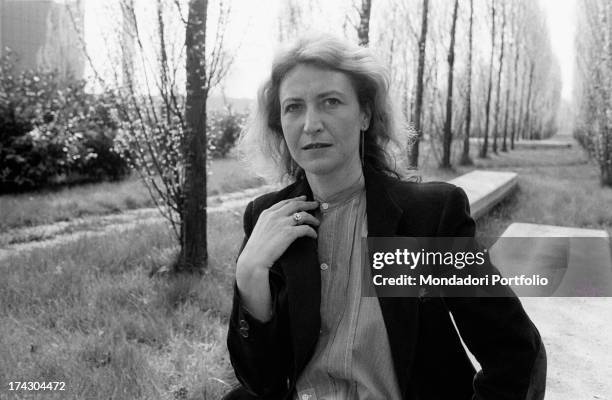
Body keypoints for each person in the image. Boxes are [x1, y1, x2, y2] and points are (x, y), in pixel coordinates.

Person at [224, 34, 546, 400]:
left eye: (330, 102)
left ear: (364, 113)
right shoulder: (266, 219)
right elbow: (261, 382)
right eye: (293, 107)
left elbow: (516, 354)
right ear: (278, 123)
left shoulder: (428, 218)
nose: (310, 123)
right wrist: (250, 274)